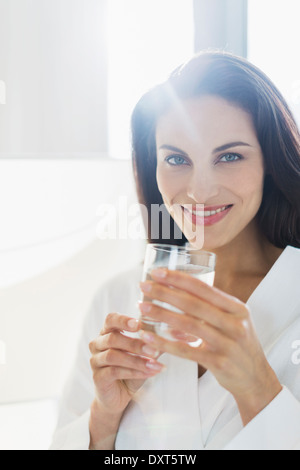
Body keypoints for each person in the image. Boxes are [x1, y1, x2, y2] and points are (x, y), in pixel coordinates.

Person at [50, 51, 300, 450]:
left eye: (230, 156)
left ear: (269, 159)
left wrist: (259, 390)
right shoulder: (116, 298)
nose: (200, 192)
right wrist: (104, 418)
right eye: (177, 159)